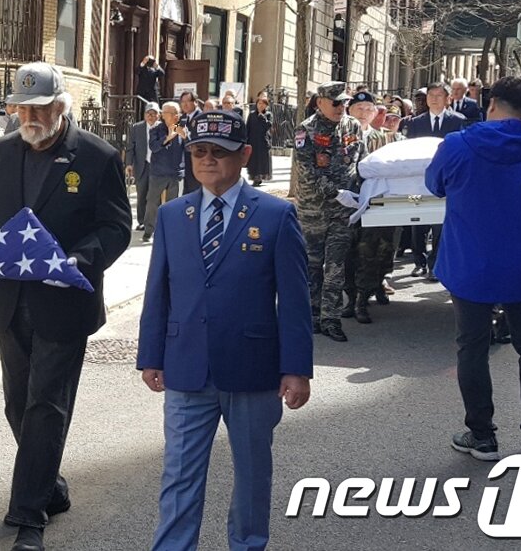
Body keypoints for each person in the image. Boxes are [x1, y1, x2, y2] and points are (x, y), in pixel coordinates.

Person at [0, 61, 131, 551]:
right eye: (21, 109)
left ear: (61, 106)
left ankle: (29, 516)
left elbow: (117, 227)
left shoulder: (98, 157)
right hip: (11, 303)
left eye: (40, 109)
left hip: (63, 303)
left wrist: (76, 258)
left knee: (46, 405)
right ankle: (50, 487)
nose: (29, 118)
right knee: (17, 404)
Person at [137, 109, 312, 551]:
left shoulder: (275, 215)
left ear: (245, 154)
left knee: (253, 472)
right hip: (186, 365)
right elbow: (158, 291)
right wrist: (151, 355)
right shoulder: (173, 215)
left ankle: (248, 544)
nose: (208, 160)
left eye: (220, 152)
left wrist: (296, 368)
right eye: (199, 151)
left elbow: (293, 300)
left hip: (253, 368)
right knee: (179, 473)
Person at [426, 76, 521, 461]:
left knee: (472, 348)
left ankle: (482, 434)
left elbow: (435, 184)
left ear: (492, 104)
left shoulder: (457, 145)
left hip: (469, 263)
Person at [294, 81, 366, 342]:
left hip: (342, 211)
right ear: (320, 102)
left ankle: (331, 318)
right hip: (314, 209)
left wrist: (363, 191)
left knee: (335, 265)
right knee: (312, 265)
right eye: (336, 103)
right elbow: (308, 171)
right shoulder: (306, 130)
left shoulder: (353, 126)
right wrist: (335, 192)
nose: (341, 107)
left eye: (344, 102)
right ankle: (312, 315)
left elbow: (362, 162)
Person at [405, 82, 464, 281]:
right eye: (431, 95)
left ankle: (434, 264)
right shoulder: (416, 122)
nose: (434, 99)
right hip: (419, 179)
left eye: (439, 95)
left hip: (446, 180)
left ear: (448, 99)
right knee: (417, 222)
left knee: (440, 222)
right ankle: (418, 261)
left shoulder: (458, 121)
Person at [342, 91, 393, 324]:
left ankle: (363, 300)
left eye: (368, 109)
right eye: (358, 108)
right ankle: (350, 299)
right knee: (348, 254)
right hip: (347, 205)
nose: (363, 113)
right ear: (349, 111)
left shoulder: (387, 139)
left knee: (372, 253)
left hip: (376, 207)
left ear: (375, 113)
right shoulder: (340, 136)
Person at [144, 101, 187, 244]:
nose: (163, 115)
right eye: (164, 113)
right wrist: (168, 137)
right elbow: (154, 147)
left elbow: (191, 148)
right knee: (152, 202)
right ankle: (149, 231)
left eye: (168, 113)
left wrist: (186, 137)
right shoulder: (156, 129)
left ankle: (170, 232)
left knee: (173, 205)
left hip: (176, 174)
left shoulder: (182, 129)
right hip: (159, 173)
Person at [127, 102, 161, 231]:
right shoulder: (137, 127)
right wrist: (129, 164)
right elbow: (130, 147)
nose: (151, 116)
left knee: (154, 195)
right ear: (144, 115)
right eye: (148, 113)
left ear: (159, 115)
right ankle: (141, 221)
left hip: (157, 166)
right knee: (141, 194)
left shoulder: (162, 128)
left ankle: (154, 221)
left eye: (154, 114)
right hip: (142, 165)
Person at [245, 91, 273, 186]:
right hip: (253, 140)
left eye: (263, 104)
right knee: (253, 160)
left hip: (263, 141)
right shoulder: (252, 114)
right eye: (259, 103)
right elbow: (247, 127)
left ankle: (260, 177)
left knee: (261, 160)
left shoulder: (268, 115)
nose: (261, 106)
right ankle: (254, 177)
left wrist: (262, 117)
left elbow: (268, 126)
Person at [179, 92, 202, 193]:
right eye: (182, 102)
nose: (185, 104)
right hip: (184, 159)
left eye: (188, 101)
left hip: (196, 158)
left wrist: (186, 136)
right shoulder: (183, 117)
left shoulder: (201, 117)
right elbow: (175, 127)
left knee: (195, 189)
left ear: (196, 102)